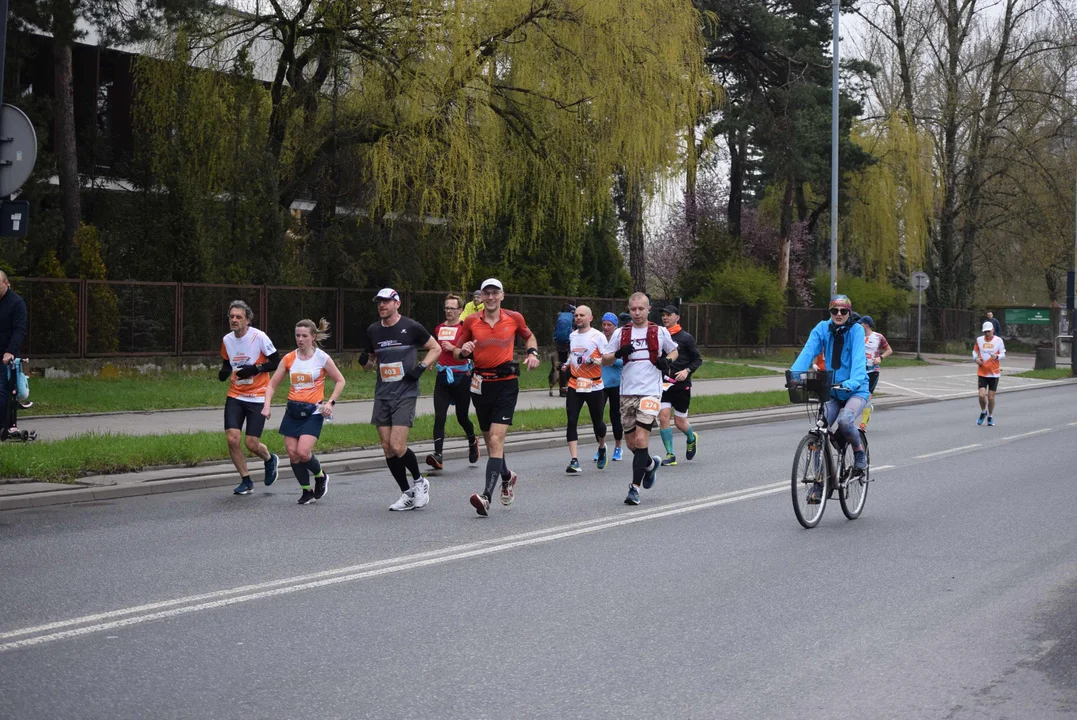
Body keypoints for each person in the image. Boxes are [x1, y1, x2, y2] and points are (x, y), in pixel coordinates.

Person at [454, 278, 540, 516]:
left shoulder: (514, 318)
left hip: (506, 385)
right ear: (481, 297)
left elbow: (529, 337)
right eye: (486, 293)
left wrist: (532, 352)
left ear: (502, 295)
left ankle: (486, 497)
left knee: (495, 439)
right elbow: (455, 349)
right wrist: (463, 351)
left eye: (495, 293)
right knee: (492, 441)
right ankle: (507, 476)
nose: (490, 297)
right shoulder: (472, 320)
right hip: (480, 385)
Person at [360, 288, 442, 511]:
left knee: (398, 446)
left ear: (397, 303)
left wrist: (421, 367)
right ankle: (406, 493)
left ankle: (419, 482)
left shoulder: (411, 326)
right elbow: (371, 364)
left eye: (386, 302)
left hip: (405, 392)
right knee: (387, 448)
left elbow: (436, 348)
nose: (382, 306)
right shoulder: (373, 330)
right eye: (379, 302)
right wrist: (363, 362)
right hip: (382, 393)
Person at [788, 295, 869, 504]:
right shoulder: (822, 329)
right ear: (830, 312)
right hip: (832, 390)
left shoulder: (856, 330)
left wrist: (851, 383)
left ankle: (859, 453)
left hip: (855, 390)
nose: (839, 315)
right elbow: (808, 352)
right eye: (835, 311)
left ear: (849, 312)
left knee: (844, 421)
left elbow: (860, 364)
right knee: (819, 430)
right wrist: (795, 376)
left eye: (843, 311)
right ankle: (819, 483)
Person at [601, 292, 679, 506]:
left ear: (648, 309)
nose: (637, 313)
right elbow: (605, 360)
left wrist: (666, 361)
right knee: (632, 444)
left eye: (641, 309)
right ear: (629, 309)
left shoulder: (659, 331)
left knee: (641, 440)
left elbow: (674, 352)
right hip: (627, 393)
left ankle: (634, 489)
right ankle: (650, 465)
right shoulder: (620, 334)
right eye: (633, 309)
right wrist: (618, 353)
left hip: (651, 392)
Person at [262, 318, 346, 505]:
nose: (300, 339)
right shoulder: (289, 358)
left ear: (313, 337)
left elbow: (340, 381)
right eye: (297, 335)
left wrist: (330, 403)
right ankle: (306, 490)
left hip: (313, 412)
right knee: (292, 453)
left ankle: (320, 476)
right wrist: (267, 405)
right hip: (292, 410)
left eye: (304, 336)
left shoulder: (321, 358)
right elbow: (272, 384)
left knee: (303, 452)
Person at [218, 300, 281, 495]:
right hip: (235, 395)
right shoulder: (227, 339)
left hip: (257, 396)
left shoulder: (259, 337)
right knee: (232, 438)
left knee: (251, 443)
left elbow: (277, 362)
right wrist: (224, 370)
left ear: (248, 320)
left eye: (238, 317)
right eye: (232, 317)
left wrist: (255, 369)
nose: (234, 320)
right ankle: (246, 480)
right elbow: (228, 361)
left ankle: (270, 459)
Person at [426, 293, 481, 471]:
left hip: (461, 377)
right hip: (442, 376)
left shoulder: (466, 329)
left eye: (452, 308)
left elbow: (472, 352)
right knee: (439, 416)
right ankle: (438, 455)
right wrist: (433, 359)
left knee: (462, 417)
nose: (449, 311)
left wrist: (454, 349)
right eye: (446, 308)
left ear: (460, 310)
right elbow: (437, 348)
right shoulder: (439, 329)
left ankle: (472, 440)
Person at [563, 305, 608, 473]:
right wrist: (567, 364)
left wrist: (595, 361)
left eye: (582, 315)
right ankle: (574, 460)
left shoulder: (598, 336)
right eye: (576, 315)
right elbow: (573, 354)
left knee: (598, 424)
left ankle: (602, 446)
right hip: (575, 383)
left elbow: (607, 358)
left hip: (594, 385)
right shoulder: (572, 335)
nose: (578, 318)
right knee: (572, 420)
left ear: (590, 317)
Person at [657, 305, 702, 466]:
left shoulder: (686, 338)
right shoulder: (659, 335)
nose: (665, 318)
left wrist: (687, 371)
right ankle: (670, 454)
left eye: (669, 315)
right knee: (663, 417)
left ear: (677, 317)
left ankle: (691, 438)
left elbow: (697, 359)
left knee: (679, 422)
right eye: (663, 315)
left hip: (682, 385)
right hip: (663, 384)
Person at [592, 312, 624, 463]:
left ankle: (618, 446)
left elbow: (624, 361)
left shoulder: (619, 339)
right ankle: (601, 446)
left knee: (615, 415)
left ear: (615, 326)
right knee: (597, 416)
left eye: (609, 325)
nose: (606, 327)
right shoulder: (598, 339)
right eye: (604, 324)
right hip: (600, 383)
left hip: (616, 383)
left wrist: (606, 360)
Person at [0, 271, 27, 434]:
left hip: (6, 355)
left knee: (2, 388)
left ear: (6, 283)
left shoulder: (16, 303)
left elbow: (20, 330)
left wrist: (10, 351)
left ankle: (3, 425)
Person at [858, 315, 891, 430]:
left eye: (861, 323)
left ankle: (863, 424)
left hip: (873, 371)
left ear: (866, 325)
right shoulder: (857, 336)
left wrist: (880, 358)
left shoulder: (878, 336)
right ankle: (866, 410)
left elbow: (889, 350)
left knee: (867, 396)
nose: (859, 325)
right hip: (859, 370)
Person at [973, 320, 1006, 427]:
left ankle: (990, 416)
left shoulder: (998, 340)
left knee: (991, 397)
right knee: (981, 395)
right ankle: (983, 412)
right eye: (985, 332)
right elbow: (975, 351)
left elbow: (1003, 354)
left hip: (994, 373)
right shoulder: (979, 340)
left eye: (988, 331)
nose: (987, 333)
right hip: (982, 371)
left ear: (993, 330)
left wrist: (997, 357)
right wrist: (975, 358)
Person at [553, 303, 576, 397]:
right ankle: (570, 387)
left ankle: (562, 389)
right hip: (570, 342)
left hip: (559, 343)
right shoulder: (573, 316)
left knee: (562, 363)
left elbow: (555, 329)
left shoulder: (559, 316)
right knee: (571, 363)